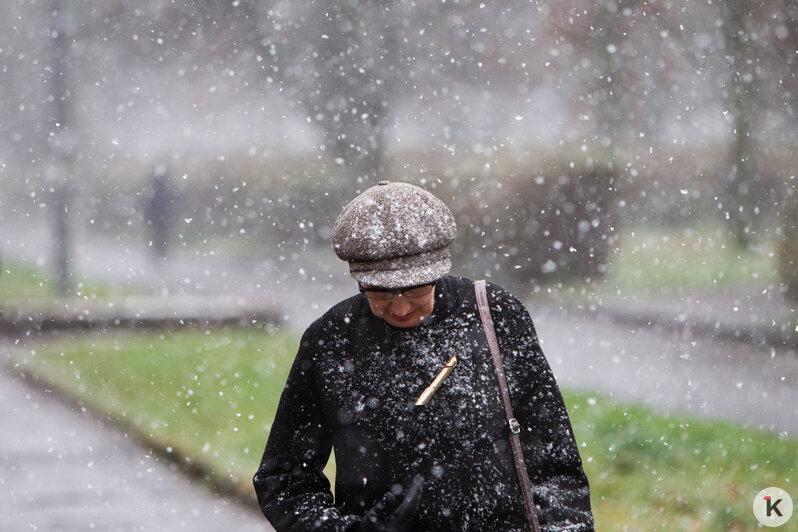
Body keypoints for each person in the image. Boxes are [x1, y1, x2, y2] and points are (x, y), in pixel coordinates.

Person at [253, 181, 594, 531]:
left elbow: (555, 463)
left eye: (415, 288)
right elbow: (284, 480)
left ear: (438, 269)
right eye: (380, 293)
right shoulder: (332, 339)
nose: (399, 307)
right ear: (358, 280)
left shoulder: (494, 316)